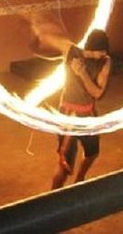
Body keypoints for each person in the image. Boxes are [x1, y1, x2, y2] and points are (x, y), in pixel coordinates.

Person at [46, 29, 112, 190]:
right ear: (90, 48)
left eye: (105, 51)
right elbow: (49, 38)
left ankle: (80, 178)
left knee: (92, 153)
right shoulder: (71, 52)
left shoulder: (105, 62)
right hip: (69, 117)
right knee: (64, 166)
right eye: (100, 51)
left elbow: (97, 93)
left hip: (89, 114)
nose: (103, 54)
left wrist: (82, 74)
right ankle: (51, 199)